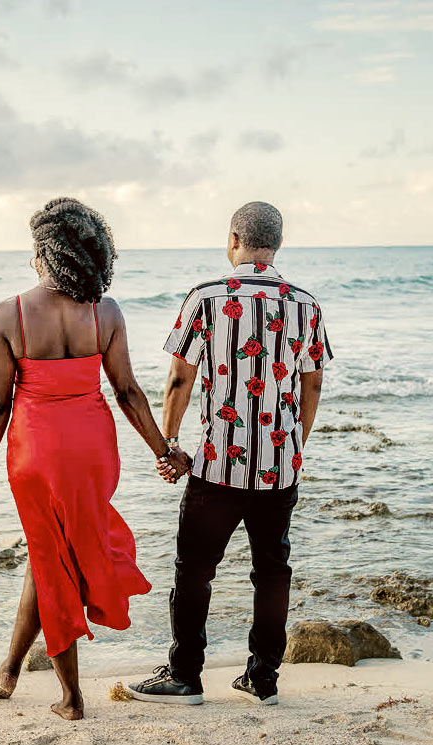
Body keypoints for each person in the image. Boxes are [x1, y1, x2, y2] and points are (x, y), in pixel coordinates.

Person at [0, 197, 191, 721]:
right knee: (50, 553)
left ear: (45, 253)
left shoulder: (8, 314)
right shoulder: (106, 311)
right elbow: (129, 392)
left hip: (36, 450)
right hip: (92, 449)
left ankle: (70, 698)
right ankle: (10, 669)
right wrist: (166, 451)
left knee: (51, 559)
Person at [129, 201, 331, 706]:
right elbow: (313, 384)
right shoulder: (305, 303)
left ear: (234, 238)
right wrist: (294, 444)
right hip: (279, 467)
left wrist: (170, 445)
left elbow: (180, 376)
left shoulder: (207, 296)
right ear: (277, 244)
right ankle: (263, 678)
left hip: (218, 464)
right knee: (271, 571)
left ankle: (186, 676)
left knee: (194, 570)